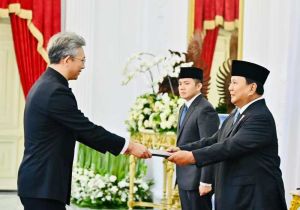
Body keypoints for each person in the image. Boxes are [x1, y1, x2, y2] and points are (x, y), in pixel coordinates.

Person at [17, 32, 152, 210]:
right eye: (82, 60)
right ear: (67, 60)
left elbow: (78, 131)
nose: (83, 66)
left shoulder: (47, 84)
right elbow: (86, 129)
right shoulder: (54, 90)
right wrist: (129, 146)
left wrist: (125, 147)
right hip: (42, 183)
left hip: (41, 184)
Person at [168, 60, 287, 210]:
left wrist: (192, 157)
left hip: (255, 199)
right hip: (235, 197)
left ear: (252, 88)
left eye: (235, 83)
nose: (229, 88)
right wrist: (182, 149)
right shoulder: (236, 113)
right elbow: (215, 139)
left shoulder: (259, 117)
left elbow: (228, 147)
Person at [176, 67, 219, 210]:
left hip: (197, 179)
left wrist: (205, 181)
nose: (182, 87)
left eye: (186, 83)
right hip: (184, 176)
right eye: (180, 83)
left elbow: (210, 146)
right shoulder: (183, 108)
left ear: (199, 86)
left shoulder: (205, 109)